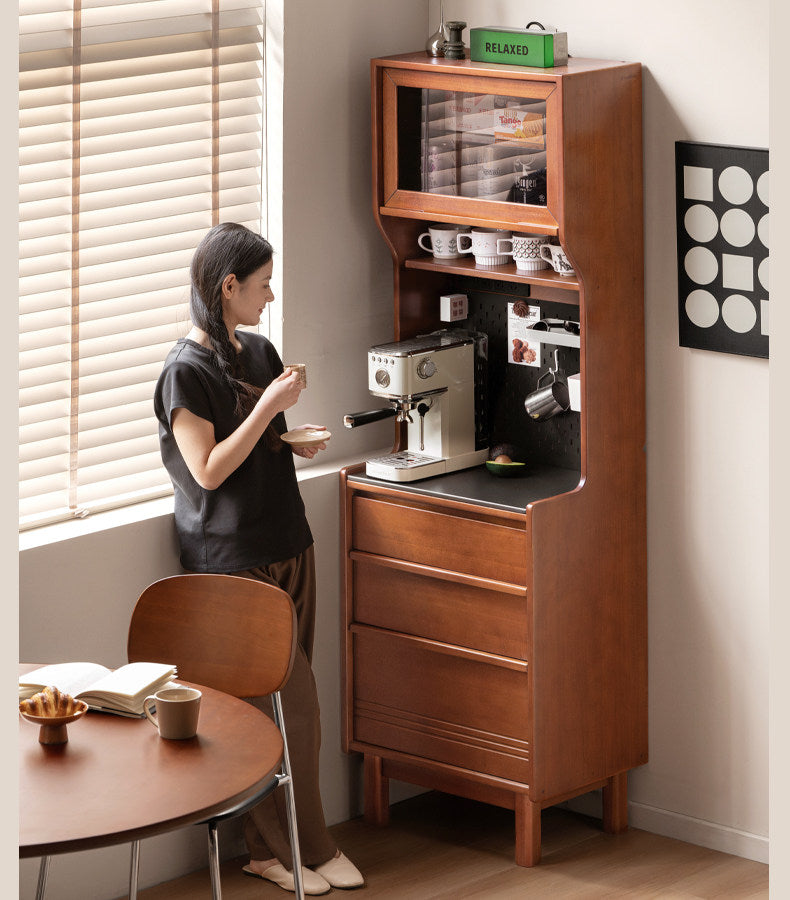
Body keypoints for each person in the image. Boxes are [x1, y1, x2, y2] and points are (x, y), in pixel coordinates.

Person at [153, 222, 364, 895]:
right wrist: (271, 407)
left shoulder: (260, 349)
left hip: (287, 541)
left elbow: (256, 445)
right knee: (284, 708)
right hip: (231, 558)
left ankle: (282, 846)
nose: (271, 296)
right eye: (264, 284)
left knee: (291, 704)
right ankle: (292, 847)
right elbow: (209, 471)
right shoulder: (183, 374)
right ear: (229, 286)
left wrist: (287, 436)